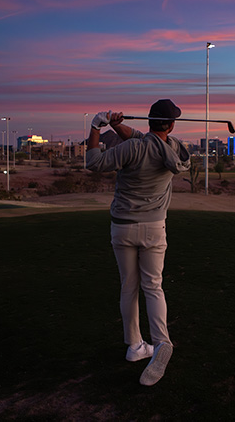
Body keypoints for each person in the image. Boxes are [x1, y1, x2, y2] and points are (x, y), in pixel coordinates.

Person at [85, 99, 190, 386]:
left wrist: (97, 126)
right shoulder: (175, 149)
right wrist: (118, 125)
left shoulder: (133, 148)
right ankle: (160, 342)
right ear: (171, 125)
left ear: (149, 121)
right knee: (153, 286)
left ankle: (134, 346)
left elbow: (93, 162)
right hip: (155, 227)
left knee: (128, 286)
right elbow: (146, 140)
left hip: (123, 228)